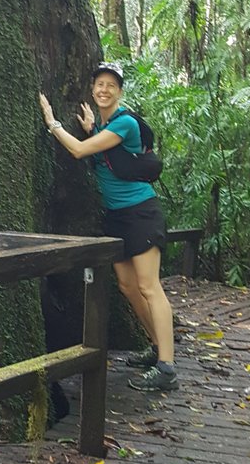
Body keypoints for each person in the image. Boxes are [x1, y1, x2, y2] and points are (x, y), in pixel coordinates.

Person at [38, 61, 177, 391]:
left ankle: (167, 368)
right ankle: (157, 348)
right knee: (128, 287)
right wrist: (91, 130)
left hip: (141, 213)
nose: (103, 89)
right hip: (116, 217)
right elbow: (101, 150)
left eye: (110, 85)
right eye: (99, 83)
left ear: (120, 91)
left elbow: (81, 152)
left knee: (148, 286)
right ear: (93, 88)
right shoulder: (105, 128)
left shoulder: (125, 122)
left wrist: (52, 122)